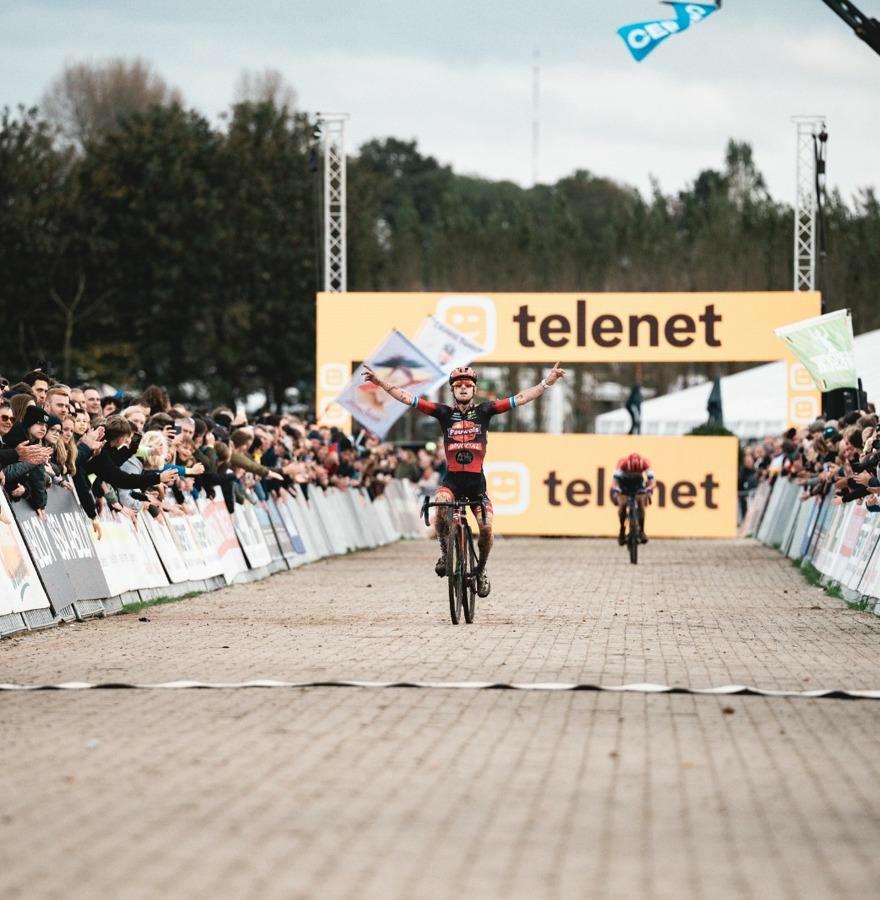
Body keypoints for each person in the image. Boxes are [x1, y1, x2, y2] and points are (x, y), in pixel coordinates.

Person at [362, 362, 566, 597]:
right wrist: (381, 383)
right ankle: (445, 552)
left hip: (476, 485)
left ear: (474, 390)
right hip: (452, 482)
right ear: (452, 390)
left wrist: (546, 382)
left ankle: (480, 570)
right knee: (439, 505)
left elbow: (520, 398)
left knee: (487, 529)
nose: (462, 388)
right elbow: (408, 398)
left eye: (467, 385)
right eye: (457, 385)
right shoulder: (443, 413)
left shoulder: (485, 411)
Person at [611, 452, 655, 545]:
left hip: (638, 484)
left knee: (641, 503)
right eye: (630, 472)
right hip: (624, 484)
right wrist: (616, 489)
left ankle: (642, 531)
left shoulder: (645, 463)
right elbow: (615, 482)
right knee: (622, 505)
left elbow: (652, 481)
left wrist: (649, 489)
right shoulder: (622, 463)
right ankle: (622, 529)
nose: (633, 473)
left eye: (636, 472)